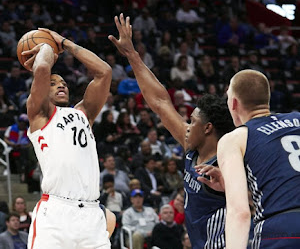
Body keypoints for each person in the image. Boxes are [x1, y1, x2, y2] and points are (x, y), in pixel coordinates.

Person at [109, 14, 234, 248]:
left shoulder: (229, 162)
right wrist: (132, 55)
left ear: (208, 128)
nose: (187, 123)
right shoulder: (190, 145)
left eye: (193, 120)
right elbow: (160, 102)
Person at [21, 27, 112, 248]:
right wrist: (46, 47)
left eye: (63, 82)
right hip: (55, 214)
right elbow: (42, 67)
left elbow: (104, 72)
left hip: (91, 214)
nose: (60, 84)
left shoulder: (84, 113)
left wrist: (66, 43)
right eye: (53, 83)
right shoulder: (39, 114)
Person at [217, 69, 300, 248]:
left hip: (283, 231)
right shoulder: (298, 119)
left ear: (233, 103)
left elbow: (240, 212)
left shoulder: (235, 138)